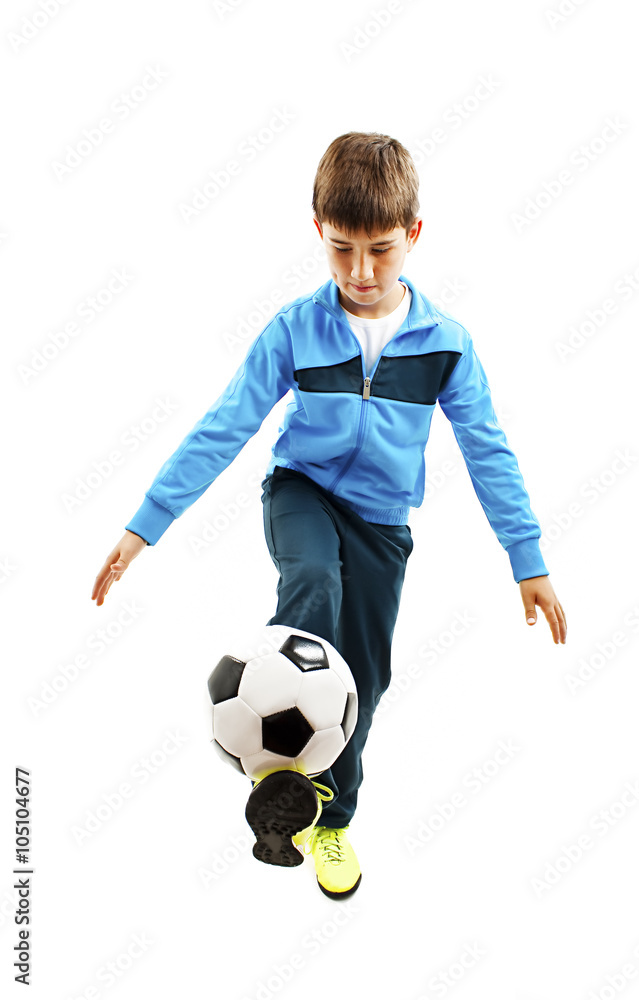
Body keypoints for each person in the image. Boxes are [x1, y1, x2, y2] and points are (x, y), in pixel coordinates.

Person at [91, 131, 566, 900]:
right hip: (301, 492)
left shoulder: (445, 344)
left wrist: (529, 558)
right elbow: (226, 424)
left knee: (363, 679)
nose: (361, 272)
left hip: (382, 522)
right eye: (342, 249)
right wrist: (145, 525)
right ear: (319, 231)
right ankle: (277, 779)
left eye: (380, 249)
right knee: (313, 582)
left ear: (414, 235)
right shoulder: (294, 330)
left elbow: (489, 449)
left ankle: (329, 820)